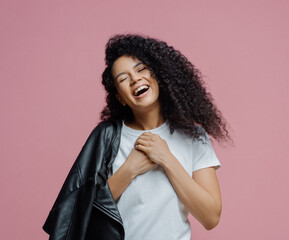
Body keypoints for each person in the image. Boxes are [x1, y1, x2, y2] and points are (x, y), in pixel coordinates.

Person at [43, 34, 231, 240]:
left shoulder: (194, 136)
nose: (135, 79)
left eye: (141, 69)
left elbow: (211, 217)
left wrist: (167, 159)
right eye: (123, 79)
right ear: (120, 98)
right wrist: (129, 169)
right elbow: (78, 214)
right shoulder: (106, 137)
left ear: (158, 76)